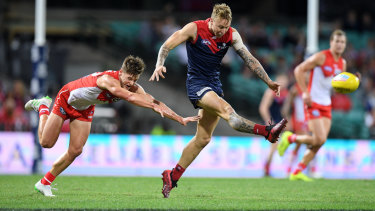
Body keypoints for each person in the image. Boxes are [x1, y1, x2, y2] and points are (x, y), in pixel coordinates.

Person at [149, 3, 287, 198]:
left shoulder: (232, 34)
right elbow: (167, 45)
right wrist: (159, 64)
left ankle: (172, 176)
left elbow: (250, 59)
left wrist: (269, 82)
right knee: (229, 113)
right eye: (220, 26)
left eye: (226, 27)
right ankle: (267, 132)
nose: (223, 31)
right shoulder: (195, 28)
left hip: (214, 86)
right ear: (211, 20)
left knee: (203, 138)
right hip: (197, 85)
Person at [25, 55, 200, 197]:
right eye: (129, 78)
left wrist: (179, 118)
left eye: (135, 79)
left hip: (85, 108)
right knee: (46, 143)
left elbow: (154, 101)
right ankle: (42, 107)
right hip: (66, 99)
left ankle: (44, 183)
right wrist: (152, 105)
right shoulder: (107, 80)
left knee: (76, 150)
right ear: (121, 72)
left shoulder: (133, 86)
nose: (131, 82)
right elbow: (130, 98)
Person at [278, 30, 354, 181]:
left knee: (321, 141)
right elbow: (299, 70)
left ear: (345, 45)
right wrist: (305, 92)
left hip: (327, 104)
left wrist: (353, 83)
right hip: (313, 102)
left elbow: (337, 86)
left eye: (342, 42)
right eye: (337, 41)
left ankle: (297, 170)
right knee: (319, 138)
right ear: (331, 42)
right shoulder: (321, 56)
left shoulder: (342, 63)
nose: (339, 45)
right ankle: (290, 138)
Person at [259, 74, 289, 177]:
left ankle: (268, 167)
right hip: (272, 122)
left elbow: (284, 110)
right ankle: (266, 167)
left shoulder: (285, 93)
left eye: (285, 81)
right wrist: (268, 122)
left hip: (280, 123)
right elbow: (263, 108)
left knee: (276, 146)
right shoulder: (270, 92)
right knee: (274, 145)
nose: (284, 83)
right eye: (282, 81)